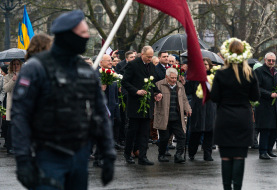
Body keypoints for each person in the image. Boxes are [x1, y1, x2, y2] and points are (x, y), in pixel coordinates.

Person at [11, 10, 116, 190]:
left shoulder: (85, 71)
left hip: (80, 155)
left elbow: (100, 113)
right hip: (48, 155)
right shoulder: (36, 68)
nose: (87, 37)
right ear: (68, 35)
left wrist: (108, 153)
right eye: (83, 34)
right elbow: (20, 115)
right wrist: (23, 159)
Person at [211, 38, 260, 190]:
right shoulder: (250, 73)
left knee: (225, 156)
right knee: (239, 155)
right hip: (243, 118)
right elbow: (255, 97)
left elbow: (215, 97)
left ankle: (227, 188)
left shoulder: (220, 74)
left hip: (224, 118)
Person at [121, 46, 162, 165]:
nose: (150, 59)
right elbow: (125, 82)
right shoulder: (133, 64)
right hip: (135, 103)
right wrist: (136, 91)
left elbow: (153, 83)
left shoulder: (152, 66)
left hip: (147, 104)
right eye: (148, 57)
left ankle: (143, 156)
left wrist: (157, 92)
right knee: (132, 131)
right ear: (142, 54)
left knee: (145, 132)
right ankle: (128, 154)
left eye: (151, 57)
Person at [154, 68, 191, 163]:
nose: (174, 80)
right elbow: (153, 98)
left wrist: (188, 109)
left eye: (175, 78)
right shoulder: (159, 84)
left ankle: (178, 155)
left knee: (181, 136)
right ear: (166, 77)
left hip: (177, 116)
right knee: (164, 138)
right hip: (164, 116)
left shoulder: (179, 85)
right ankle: (161, 154)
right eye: (172, 78)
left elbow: (184, 99)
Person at [187, 57, 216, 161]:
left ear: (210, 66)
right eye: (202, 64)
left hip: (210, 107)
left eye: (206, 64)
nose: (204, 66)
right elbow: (188, 90)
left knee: (209, 131)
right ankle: (192, 152)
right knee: (196, 132)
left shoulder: (214, 77)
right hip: (198, 107)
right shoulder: (195, 77)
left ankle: (207, 154)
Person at [255, 52, 277, 160]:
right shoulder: (259, 71)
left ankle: (270, 149)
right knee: (265, 129)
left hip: (274, 105)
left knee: (275, 128)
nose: (271, 62)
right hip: (263, 104)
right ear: (265, 60)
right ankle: (263, 151)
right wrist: (269, 94)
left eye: (273, 61)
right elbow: (257, 88)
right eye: (269, 60)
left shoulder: (275, 71)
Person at [3, 59, 23, 155]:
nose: (16, 65)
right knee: (11, 126)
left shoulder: (25, 75)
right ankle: (9, 147)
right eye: (14, 64)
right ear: (11, 66)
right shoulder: (7, 77)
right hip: (12, 105)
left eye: (17, 64)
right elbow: (6, 88)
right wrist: (13, 80)